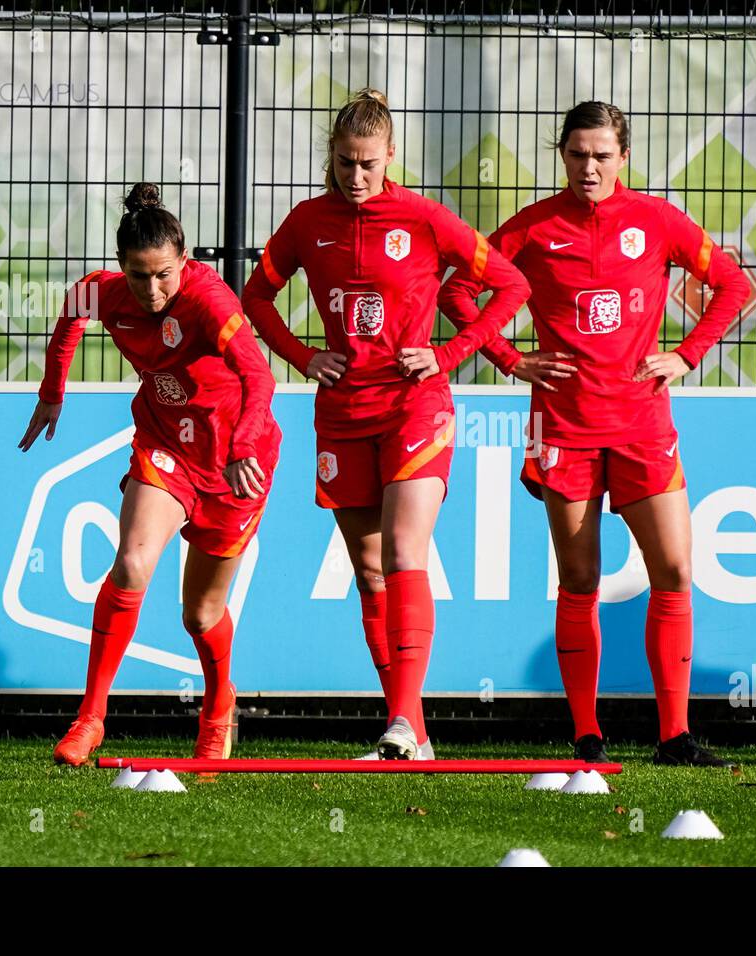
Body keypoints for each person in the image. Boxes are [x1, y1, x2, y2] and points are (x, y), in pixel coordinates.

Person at [440, 102, 750, 766]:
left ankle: (674, 736)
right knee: (579, 578)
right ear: (564, 155)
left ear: (624, 158)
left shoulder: (657, 221)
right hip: (566, 425)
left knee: (673, 570)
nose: (589, 167)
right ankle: (585, 736)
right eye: (578, 154)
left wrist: (687, 354)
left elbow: (732, 285)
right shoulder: (533, 226)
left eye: (602, 155)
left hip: (642, 424)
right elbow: (459, 291)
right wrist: (510, 359)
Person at [241, 89, 529, 759]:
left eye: (368, 163)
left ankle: (398, 722)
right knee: (369, 573)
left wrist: (451, 353)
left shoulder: (425, 218)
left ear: (391, 154)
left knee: (404, 553)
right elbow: (257, 297)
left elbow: (510, 284)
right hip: (343, 414)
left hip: (414, 406)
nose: (357, 176)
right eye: (345, 163)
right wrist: (304, 356)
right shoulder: (308, 222)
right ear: (332, 159)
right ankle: (414, 732)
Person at [19, 182, 281, 767]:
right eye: (139, 276)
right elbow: (69, 318)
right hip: (164, 445)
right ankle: (90, 718)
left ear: (184, 263)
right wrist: (52, 394)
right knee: (132, 563)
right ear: (121, 268)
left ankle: (218, 707)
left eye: (163, 274)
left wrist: (241, 446)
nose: (152, 289)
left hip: (238, 458)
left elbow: (259, 380)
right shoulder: (103, 293)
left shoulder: (211, 303)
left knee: (200, 614)